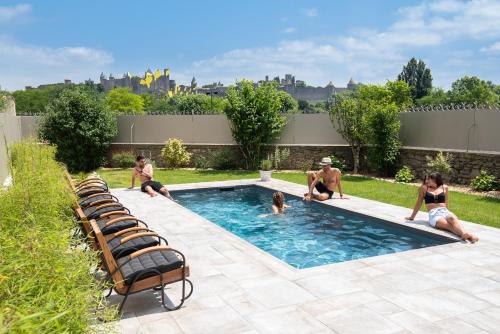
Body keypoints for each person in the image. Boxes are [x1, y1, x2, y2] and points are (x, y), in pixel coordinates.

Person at [406, 172, 478, 243]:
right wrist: (412, 217)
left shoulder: (444, 188)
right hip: (434, 215)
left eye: (429, 179)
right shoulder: (424, 188)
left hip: (444, 211)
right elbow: (419, 203)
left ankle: (465, 234)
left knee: (452, 219)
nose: (427, 181)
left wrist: (447, 214)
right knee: (448, 226)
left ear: (435, 180)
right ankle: (469, 236)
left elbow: (446, 202)